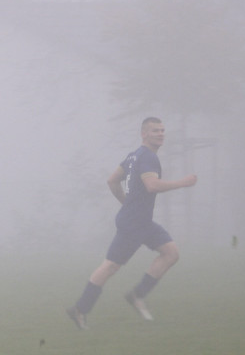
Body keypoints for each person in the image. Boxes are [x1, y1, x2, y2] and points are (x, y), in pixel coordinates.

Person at [66, 116, 197, 329]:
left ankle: (136, 295)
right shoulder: (147, 158)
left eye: (163, 130)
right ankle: (79, 310)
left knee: (171, 253)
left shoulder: (133, 156)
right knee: (110, 266)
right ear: (144, 133)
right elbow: (152, 186)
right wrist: (183, 183)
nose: (161, 134)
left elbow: (112, 180)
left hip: (141, 222)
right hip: (134, 224)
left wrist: (126, 203)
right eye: (155, 130)